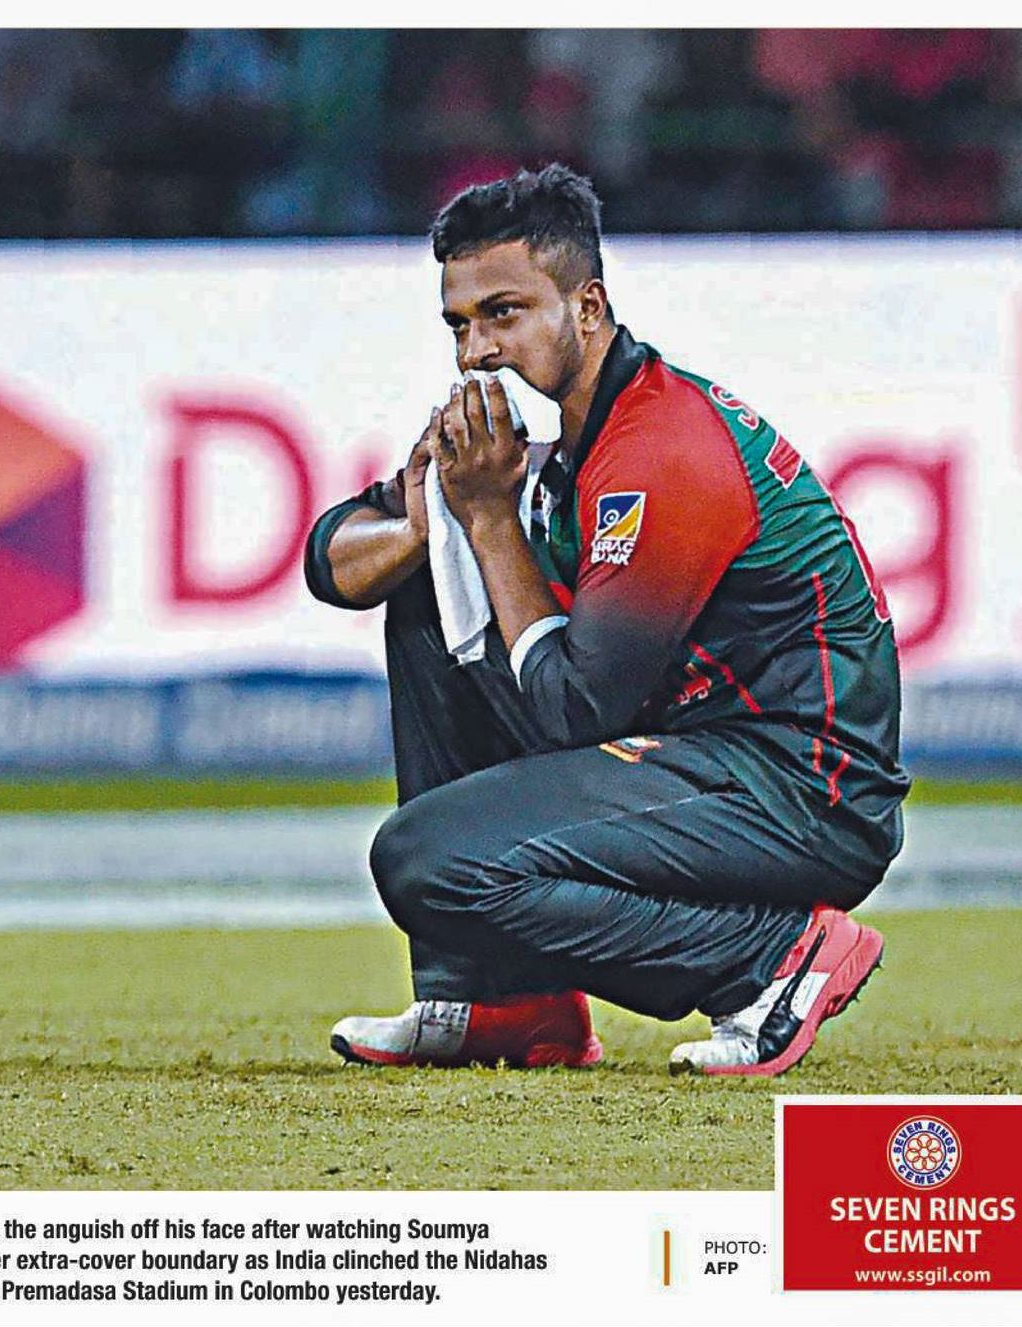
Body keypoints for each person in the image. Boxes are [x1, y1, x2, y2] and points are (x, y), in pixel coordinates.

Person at [302, 164, 910, 1076]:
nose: (476, 354)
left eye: (503, 314)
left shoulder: (657, 448)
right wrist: (429, 527)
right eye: (459, 325)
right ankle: (504, 999)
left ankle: (769, 959)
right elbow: (331, 559)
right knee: (427, 585)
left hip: (800, 790)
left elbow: (578, 710)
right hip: (696, 753)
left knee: (425, 859)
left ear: (586, 309)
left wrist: (489, 522)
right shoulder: (543, 434)